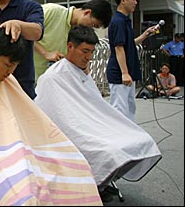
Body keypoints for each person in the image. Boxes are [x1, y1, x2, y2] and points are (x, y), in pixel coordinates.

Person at [0, 27, 102, 206]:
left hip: (18, 151)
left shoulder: (9, 82)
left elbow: (32, 122)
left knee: (78, 170)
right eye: (8, 65)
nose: (10, 71)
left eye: (15, 66)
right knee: (22, 194)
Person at [35, 26, 161, 202]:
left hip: (92, 125)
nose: (89, 57)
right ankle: (96, 185)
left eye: (92, 52)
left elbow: (95, 105)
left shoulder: (82, 73)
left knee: (140, 138)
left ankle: (103, 182)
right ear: (70, 46)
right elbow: (55, 115)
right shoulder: (51, 78)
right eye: (85, 51)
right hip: (74, 131)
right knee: (110, 150)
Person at [106, 0, 157, 121]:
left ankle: (129, 138)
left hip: (127, 72)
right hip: (120, 73)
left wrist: (145, 35)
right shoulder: (118, 21)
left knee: (129, 109)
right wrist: (124, 72)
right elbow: (118, 48)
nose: (135, 2)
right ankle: (118, 139)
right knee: (120, 111)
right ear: (123, 1)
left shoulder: (124, 20)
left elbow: (129, 43)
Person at [33, 0, 112, 82]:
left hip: (49, 82)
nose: (91, 29)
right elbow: (22, 32)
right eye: (93, 25)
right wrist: (45, 53)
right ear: (87, 13)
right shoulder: (52, 11)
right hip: (26, 78)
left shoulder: (78, 33)